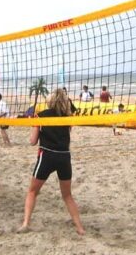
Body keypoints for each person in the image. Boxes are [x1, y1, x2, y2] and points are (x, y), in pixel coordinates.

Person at [18, 88, 85, 235]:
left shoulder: (41, 115)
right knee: (67, 195)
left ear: (51, 101)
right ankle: (80, 228)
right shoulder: (67, 117)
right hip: (64, 157)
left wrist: (35, 127)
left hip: (47, 156)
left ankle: (26, 223)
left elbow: (32, 141)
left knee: (32, 191)